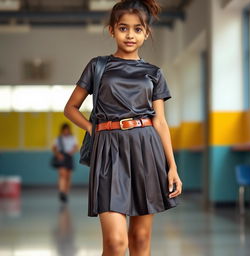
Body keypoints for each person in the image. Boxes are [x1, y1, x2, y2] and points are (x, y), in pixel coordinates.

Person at [64, 0, 183, 254]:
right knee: (116, 243)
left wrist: (172, 166)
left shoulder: (154, 73)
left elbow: (160, 122)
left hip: (146, 149)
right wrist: (91, 128)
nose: (130, 35)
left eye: (137, 29)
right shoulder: (98, 66)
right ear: (112, 30)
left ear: (146, 32)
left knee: (140, 239)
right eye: (123, 28)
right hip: (108, 151)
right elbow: (70, 108)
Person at [52, 123, 78, 203]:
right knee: (62, 174)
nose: (66, 131)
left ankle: (65, 193)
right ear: (62, 130)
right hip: (62, 157)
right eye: (65, 130)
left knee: (68, 176)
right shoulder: (58, 139)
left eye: (67, 130)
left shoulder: (72, 138)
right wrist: (58, 154)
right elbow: (54, 148)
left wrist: (72, 152)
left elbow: (76, 147)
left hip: (69, 157)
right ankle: (62, 191)